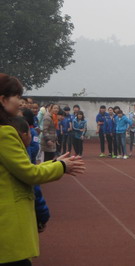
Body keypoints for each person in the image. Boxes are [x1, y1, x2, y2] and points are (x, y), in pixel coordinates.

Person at [0, 73, 85, 265]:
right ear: (3, 99)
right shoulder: (4, 133)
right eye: (17, 97)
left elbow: (21, 168)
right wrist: (62, 166)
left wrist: (54, 164)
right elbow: (29, 174)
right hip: (8, 221)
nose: (21, 103)